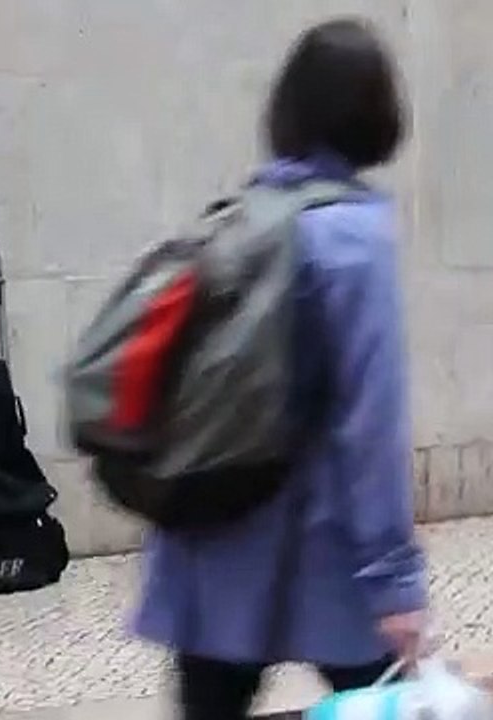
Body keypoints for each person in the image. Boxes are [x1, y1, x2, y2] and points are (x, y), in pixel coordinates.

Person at [133, 18, 426, 720]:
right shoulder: (355, 236)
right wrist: (396, 584)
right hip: (321, 554)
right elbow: (371, 425)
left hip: (207, 543)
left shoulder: (235, 218)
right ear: (379, 113)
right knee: (390, 704)